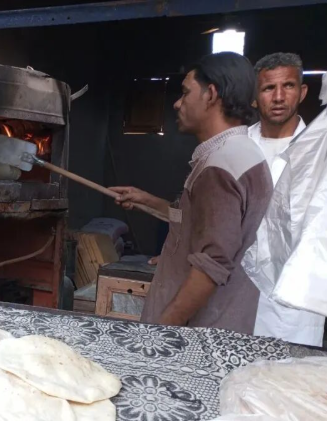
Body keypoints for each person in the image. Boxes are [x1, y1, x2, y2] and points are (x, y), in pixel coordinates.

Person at [110, 52, 273, 334]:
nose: (177, 103)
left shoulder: (220, 166)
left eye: (185, 93)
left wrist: (161, 332)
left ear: (211, 94)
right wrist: (145, 200)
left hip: (197, 336)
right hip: (222, 327)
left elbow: (212, 264)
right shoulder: (243, 153)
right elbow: (202, 221)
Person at [244, 52, 325, 346]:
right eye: (268, 88)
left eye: (288, 86)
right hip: (235, 290)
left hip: (292, 303)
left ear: (302, 92)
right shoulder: (238, 146)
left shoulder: (319, 152)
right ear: (254, 97)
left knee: (287, 370)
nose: (278, 97)